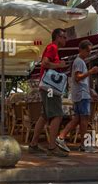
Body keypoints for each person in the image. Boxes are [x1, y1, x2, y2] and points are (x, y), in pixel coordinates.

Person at [55, 39, 98, 153]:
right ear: (81, 49)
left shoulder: (80, 62)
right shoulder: (79, 62)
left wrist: (89, 90)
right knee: (84, 119)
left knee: (77, 119)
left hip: (80, 93)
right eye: (87, 50)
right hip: (81, 95)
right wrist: (91, 72)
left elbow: (80, 80)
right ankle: (82, 144)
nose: (89, 53)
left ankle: (61, 137)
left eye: (90, 51)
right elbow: (78, 77)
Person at [28, 28, 69, 157]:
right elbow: (45, 63)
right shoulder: (52, 48)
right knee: (57, 115)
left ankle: (34, 144)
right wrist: (59, 66)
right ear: (57, 37)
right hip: (50, 88)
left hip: (46, 87)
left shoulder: (53, 49)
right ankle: (52, 147)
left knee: (45, 115)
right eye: (63, 37)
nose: (65, 39)